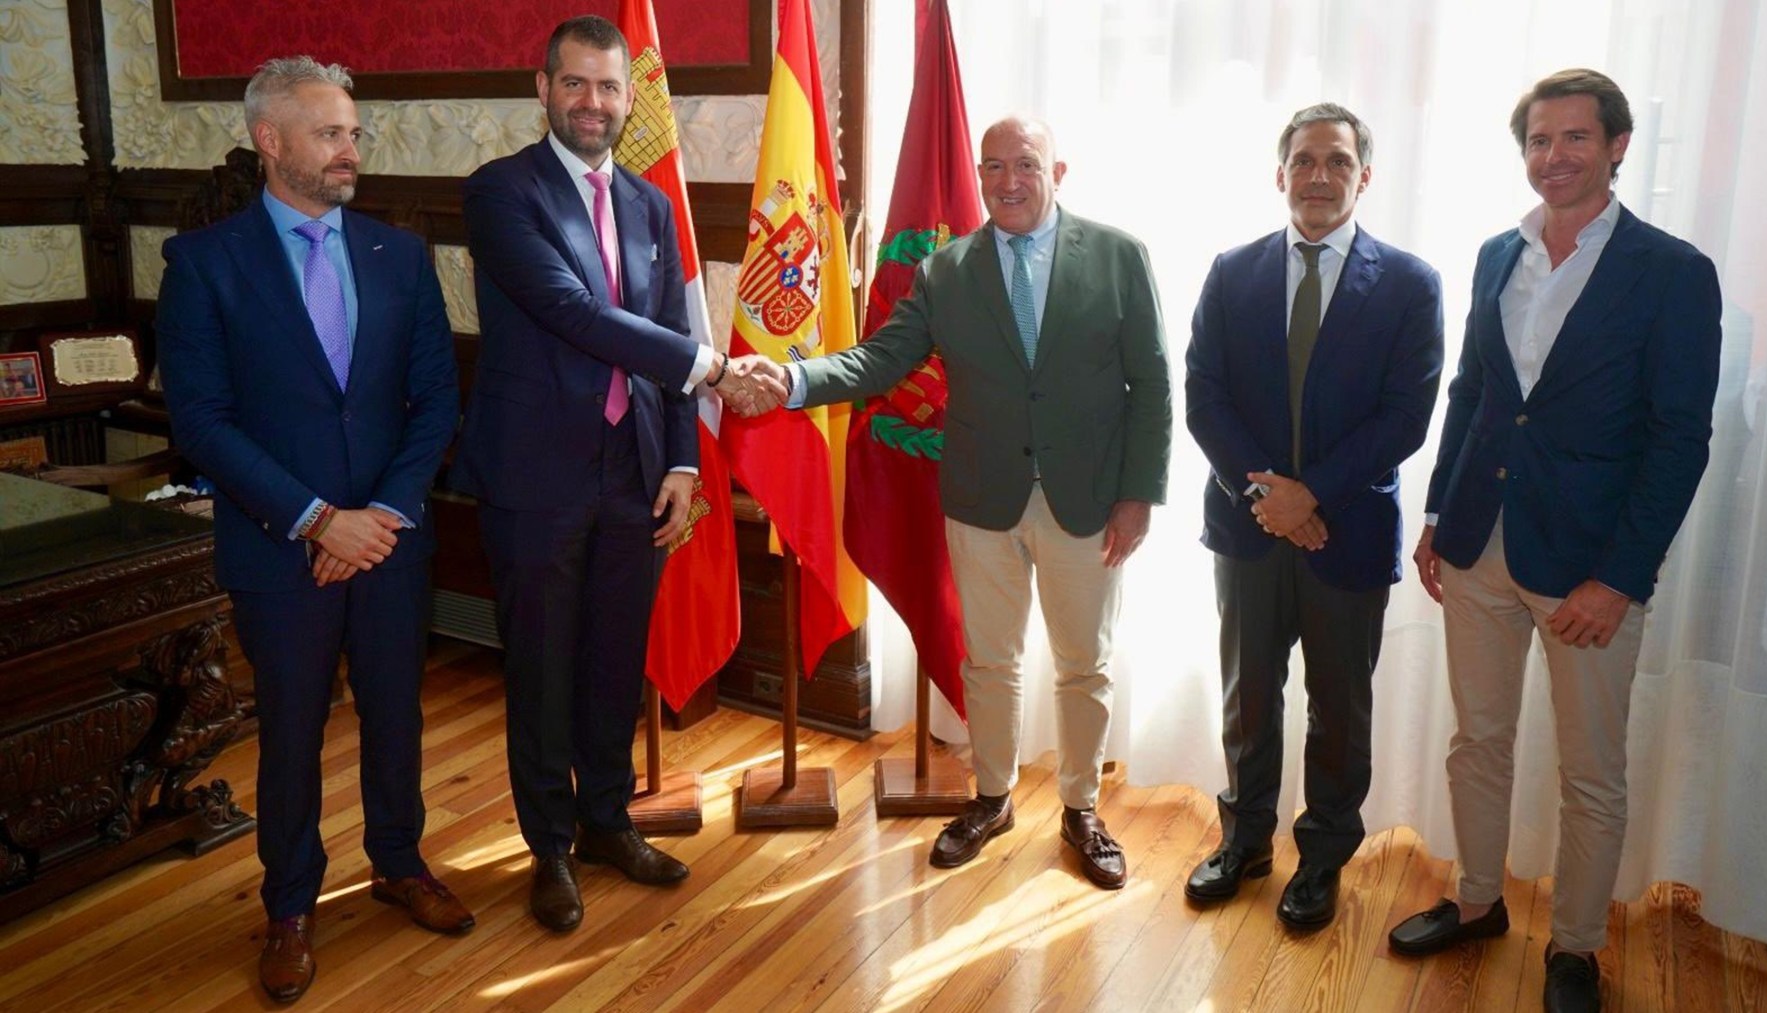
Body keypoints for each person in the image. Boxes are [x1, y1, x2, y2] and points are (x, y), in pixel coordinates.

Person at [734, 116, 1171, 890]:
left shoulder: (1119, 255)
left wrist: (1139, 495)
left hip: (1089, 500)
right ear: (978, 173)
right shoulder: (947, 269)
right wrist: (794, 380)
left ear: (1057, 170)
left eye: (1025, 165)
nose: (1008, 181)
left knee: (1083, 663)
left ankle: (1081, 808)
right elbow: (880, 360)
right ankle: (992, 797)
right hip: (982, 498)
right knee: (990, 661)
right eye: (993, 166)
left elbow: (1154, 385)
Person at [1387, 69, 1721, 1013]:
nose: (1554, 157)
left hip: (1590, 566)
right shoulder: (1500, 253)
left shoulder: (1673, 271)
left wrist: (1619, 578)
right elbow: (1474, 396)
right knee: (1478, 741)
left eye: (1575, 138)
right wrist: (1441, 519)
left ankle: (1575, 947)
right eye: (1539, 140)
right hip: (1480, 546)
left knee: (1591, 772)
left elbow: (1678, 438)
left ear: (1617, 147)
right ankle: (1478, 899)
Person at [155, 56, 469, 1003]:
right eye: (331, 133)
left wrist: (376, 518)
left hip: (389, 537)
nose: (350, 150)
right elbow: (201, 420)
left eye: (354, 133)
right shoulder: (204, 264)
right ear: (271, 141)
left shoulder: (399, 256)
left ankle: (399, 860)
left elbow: (435, 398)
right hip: (277, 546)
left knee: (396, 712)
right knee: (290, 729)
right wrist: (315, 520)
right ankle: (290, 904)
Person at [451, 15, 762, 932]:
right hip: (535, 478)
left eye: (609, 87)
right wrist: (710, 371)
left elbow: (668, 324)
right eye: (576, 84)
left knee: (614, 661)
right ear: (542, 89)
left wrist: (678, 459)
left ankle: (605, 821)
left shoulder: (651, 204)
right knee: (543, 669)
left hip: (635, 475)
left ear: (632, 99)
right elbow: (576, 313)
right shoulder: (499, 194)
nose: (593, 103)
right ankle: (547, 846)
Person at [1182, 103, 1444, 929]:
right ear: (1281, 173)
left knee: (1340, 710)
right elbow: (1204, 396)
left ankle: (1323, 856)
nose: (1319, 175)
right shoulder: (1232, 271)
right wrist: (1271, 501)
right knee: (1248, 699)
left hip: (1347, 536)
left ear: (1364, 176)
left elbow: (1406, 418)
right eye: (1304, 159)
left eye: (1337, 160)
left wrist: (1311, 496)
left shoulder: (1409, 283)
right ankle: (1245, 840)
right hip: (1249, 533)